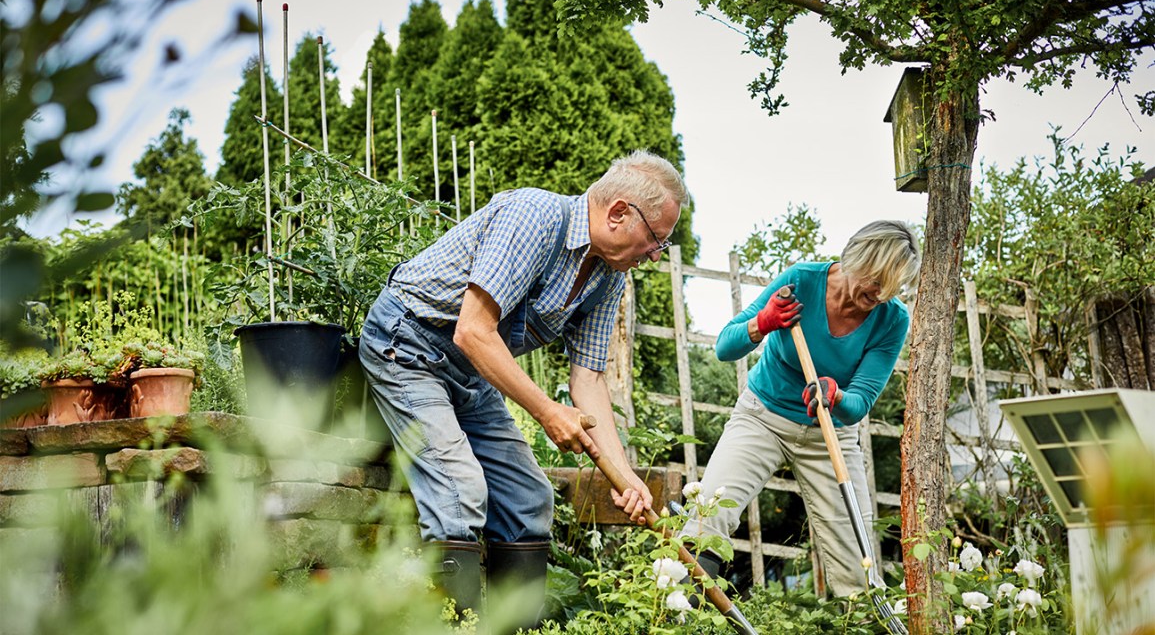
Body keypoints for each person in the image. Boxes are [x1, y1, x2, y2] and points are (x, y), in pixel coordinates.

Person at [359, 150, 687, 625]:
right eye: (657, 240)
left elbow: (589, 380)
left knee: (529, 499)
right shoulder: (535, 216)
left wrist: (625, 475)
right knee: (459, 492)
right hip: (409, 345)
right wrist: (547, 412)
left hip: (470, 371)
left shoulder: (608, 276)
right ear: (619, 213)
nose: (655, 255)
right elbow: (473, 330)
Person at [679, 220, 920, 597]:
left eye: (888, 290)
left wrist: (836, 395)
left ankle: (860, 619)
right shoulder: (802, 281)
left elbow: (858, 405)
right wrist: (763, 322)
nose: (877, 295)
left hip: (829, 436)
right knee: (708, 511)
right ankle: (679, 611)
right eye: (874, 282)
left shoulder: (892, 319)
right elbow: (726, 347)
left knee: (856, 557)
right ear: (856, 258)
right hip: (763, 417)